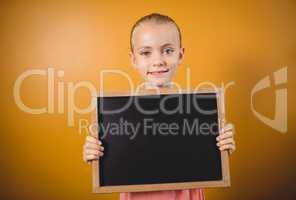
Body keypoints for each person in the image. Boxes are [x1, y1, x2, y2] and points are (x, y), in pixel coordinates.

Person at [83, 13, 236, 200]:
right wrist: (95, 153)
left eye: (168, 51)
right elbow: (113, 155)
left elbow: (208, 156)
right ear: (133, 59)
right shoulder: (117, 113)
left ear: (180, 55)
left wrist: (222, 145)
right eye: (146, 53)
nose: (158, 61)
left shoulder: (200, 109)